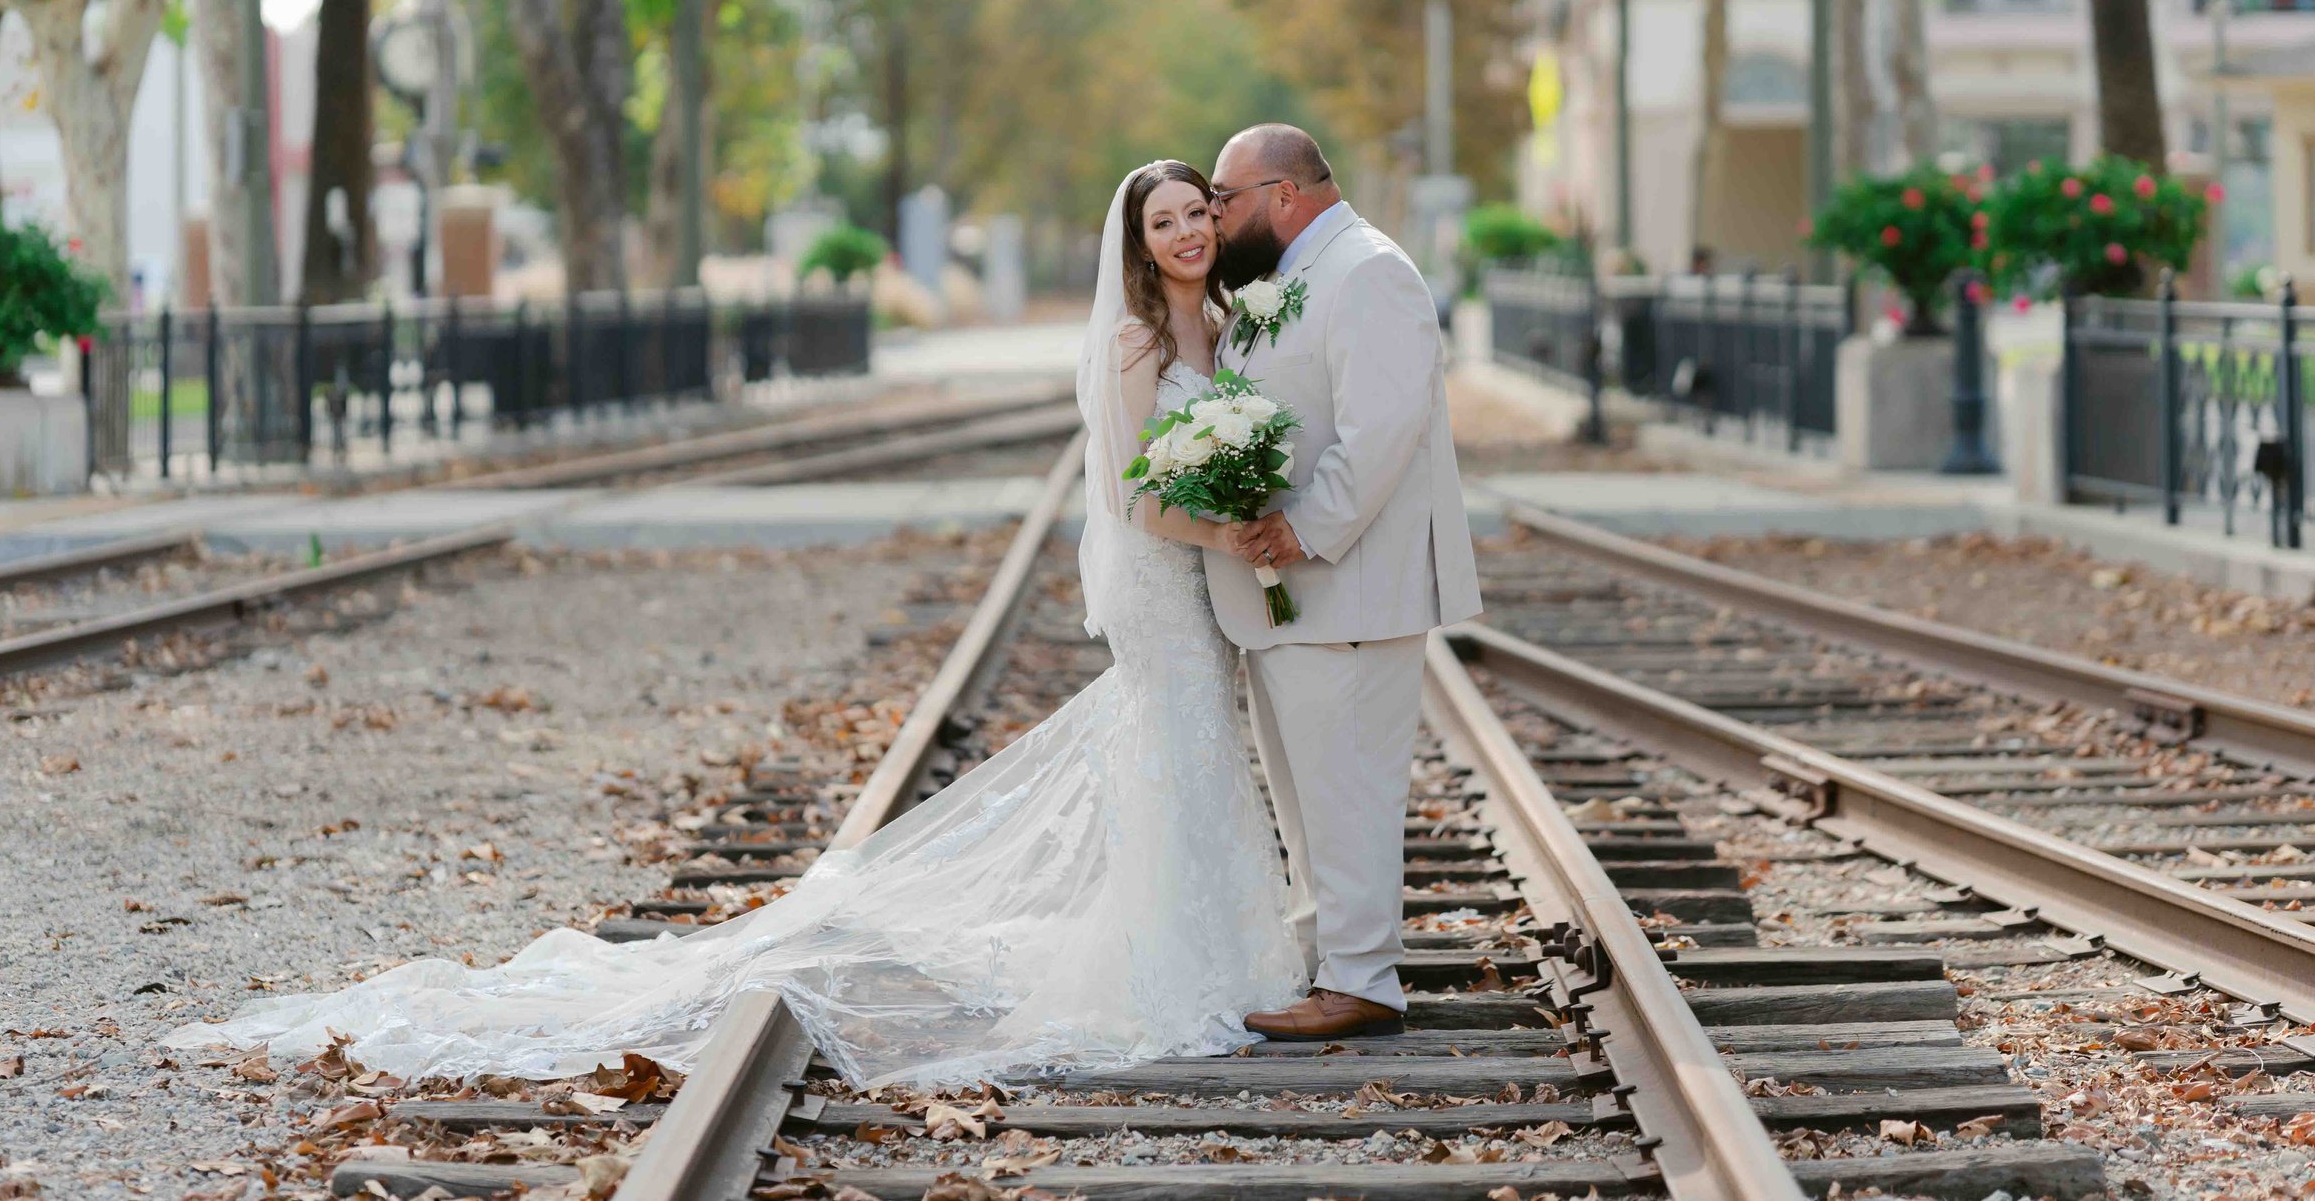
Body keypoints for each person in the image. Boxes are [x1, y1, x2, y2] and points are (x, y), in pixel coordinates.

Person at [164, 160, 1300, 1089]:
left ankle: (1212, 956)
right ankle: (1171, 973)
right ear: (1135, 242)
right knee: (1175, 745)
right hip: (1164, 583)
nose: (1189, 230)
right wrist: (1230, 534)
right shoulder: (1133, 346)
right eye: (1165, 219)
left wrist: (1240, 515)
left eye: (1199, 211)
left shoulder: (1222, 326)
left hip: (1201, 584)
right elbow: (1126, 495)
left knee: (1198, 753)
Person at [1205, 124, 1483, 1041]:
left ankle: (1365, 981)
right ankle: (1330, 964)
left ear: (1283, 193)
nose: (1215, 215)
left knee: (1351, 790)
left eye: (1225, 197)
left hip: (1349, 584)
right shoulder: (1286, 282)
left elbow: (1380, 435)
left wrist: (1300, 526)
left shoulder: (1370, 272)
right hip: (1295, 595)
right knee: (1308, 795)